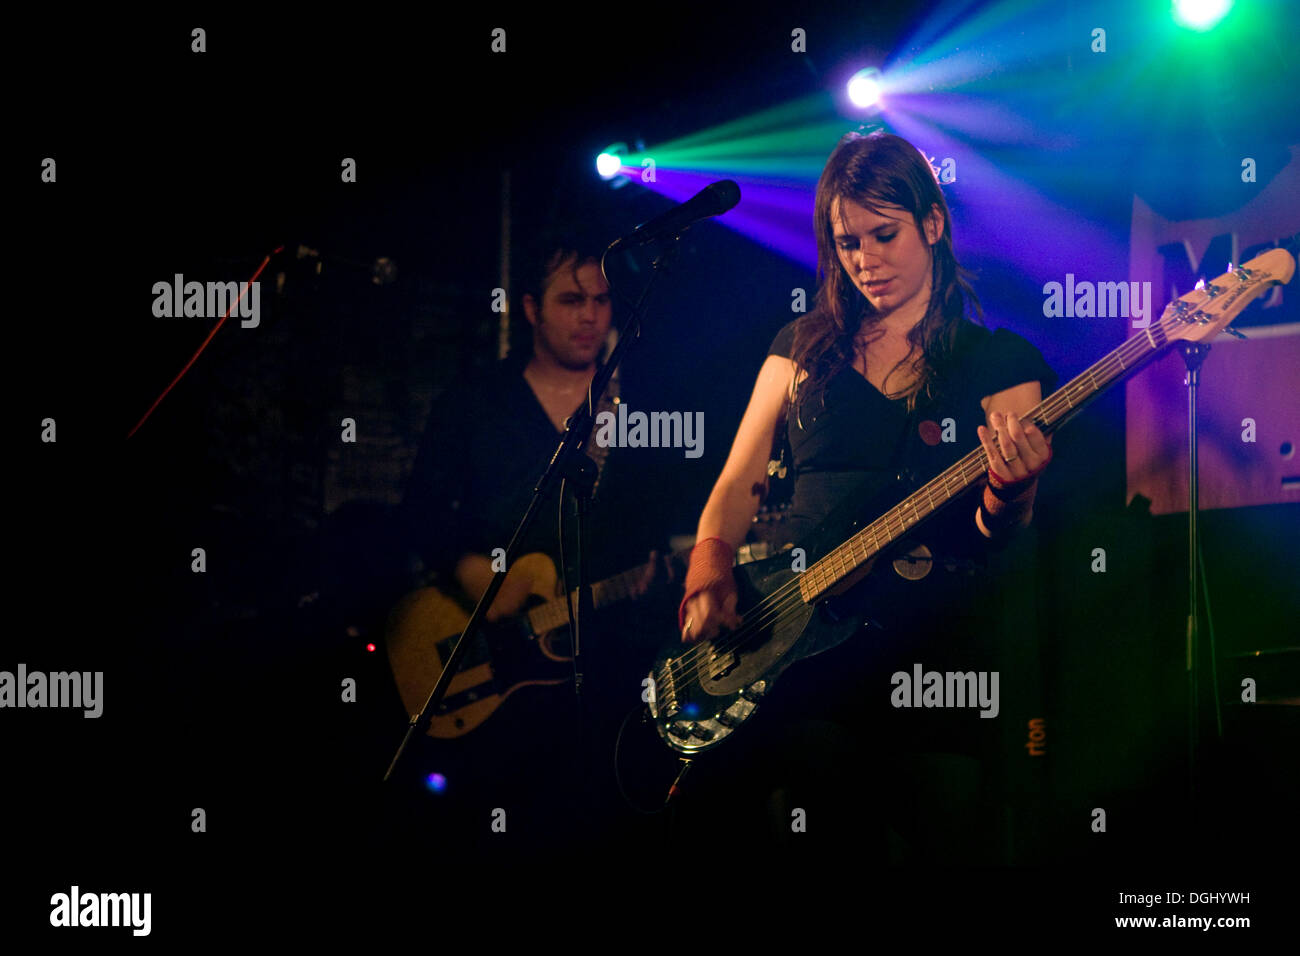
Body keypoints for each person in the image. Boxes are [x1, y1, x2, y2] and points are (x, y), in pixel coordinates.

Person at [673, 131, 1058, 861]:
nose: (864, 260)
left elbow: (1003, 534)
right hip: (799, 647)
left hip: (932, 653)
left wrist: (1010, 492)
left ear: (933, 225)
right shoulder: (801, 345)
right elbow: (738, 481)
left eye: (885, 235)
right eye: (847, 242)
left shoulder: (998, 361)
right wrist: (709, 565)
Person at [394, 230, 675, 854]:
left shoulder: (635, 411)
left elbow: (659, 517)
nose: (591, 317)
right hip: (493, 671)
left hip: (604, 667)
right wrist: (470, 570)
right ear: (529, 309)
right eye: (571, 300)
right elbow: (420, 510)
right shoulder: (476, 402)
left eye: (601, 301)